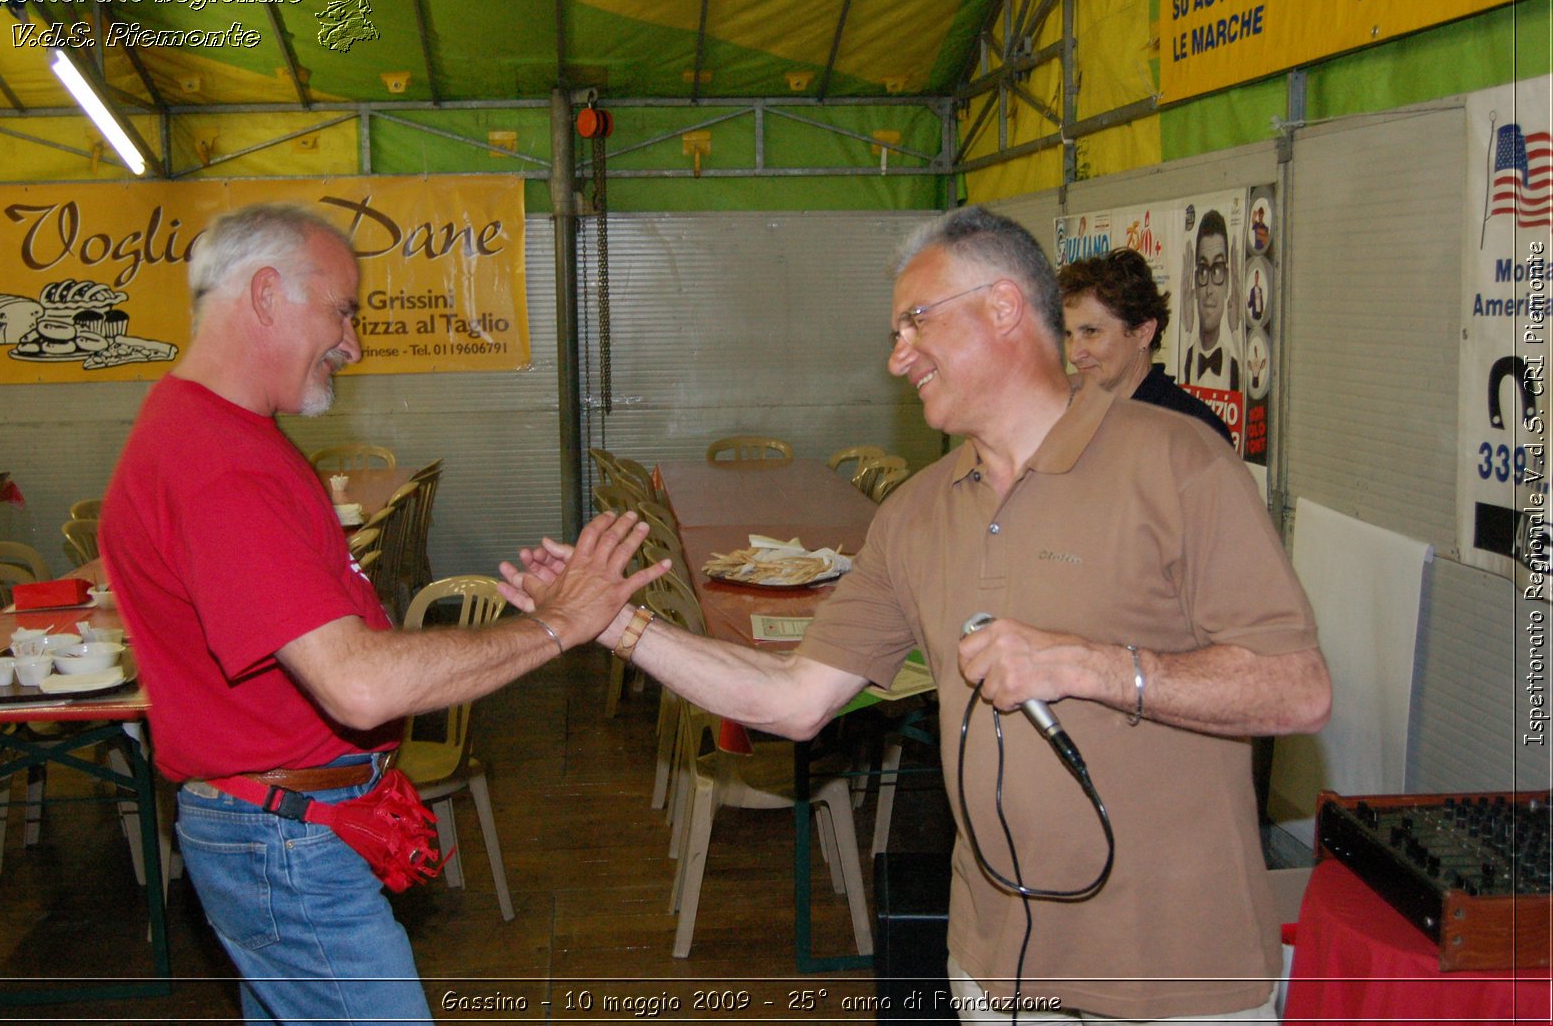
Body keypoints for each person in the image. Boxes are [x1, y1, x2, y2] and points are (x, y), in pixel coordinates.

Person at [503, 207, 1330, 1024]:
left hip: (1171, 979)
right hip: (991, 968)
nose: (898, 358)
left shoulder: (1179, 461)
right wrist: (616, 627)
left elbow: (1297, 690)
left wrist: (1094, 666)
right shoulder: (916, 513)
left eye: (914, 324)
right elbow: (794, 699)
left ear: (1003, 308)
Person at [99, 203, 668, 1024]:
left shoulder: (221, 436)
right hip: (283, 839)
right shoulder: (217, 463)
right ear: (265, 295)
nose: (352, 343)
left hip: (283, 825)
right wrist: (558, 626)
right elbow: (358, 686)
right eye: (342, 310)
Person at [1058, 248, 1231, 444]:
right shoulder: (1074, 418)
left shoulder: (1191, 432)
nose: (1073, 354)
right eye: (1068, 334)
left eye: (1091, 332)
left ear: (1143, 332)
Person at [1181, 210, 1241, 391]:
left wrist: (1236, 332)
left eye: (1217, 271)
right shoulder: (1184, 360)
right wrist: (1186, 331)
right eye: (1203, 271)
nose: (1208, 289)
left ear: (1228, 282)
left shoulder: (1237, 368)